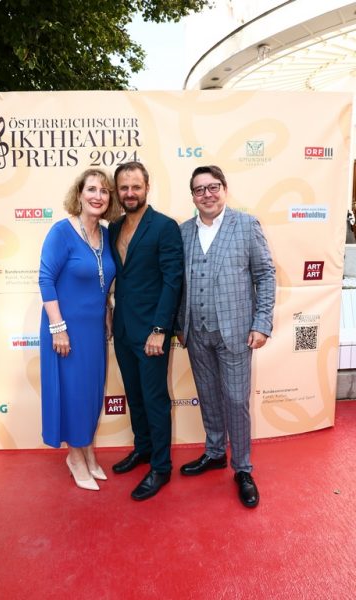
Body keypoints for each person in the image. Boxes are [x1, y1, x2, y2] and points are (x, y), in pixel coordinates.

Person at [176, 165, 276, 508]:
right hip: (196, 331)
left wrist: (261, 322)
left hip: (235, 331)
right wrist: (178, 325)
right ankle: (215, 452)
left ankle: (243, 468)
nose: (207, 194)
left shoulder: (246, 226)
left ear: (224, 189)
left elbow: (265, 275)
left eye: (212, 187)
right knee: (208, 395)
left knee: (236, 400)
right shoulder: (183, 231)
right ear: (192, 196)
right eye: (199, 189)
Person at [39, 168, 120, 491]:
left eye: (104, 191)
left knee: (89, 393)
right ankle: (75, 457)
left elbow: (104, 280)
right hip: (66, 329)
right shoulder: (61, 232)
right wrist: (58, 328)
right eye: (91, 189)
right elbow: (46, 279)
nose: (97, 196)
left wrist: (109, 311)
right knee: (73, 393)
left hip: (94, 330)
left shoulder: (106, 235)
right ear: (79, 194)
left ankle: (86, 450)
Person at [108, 161, 183, 501]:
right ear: (117, 191)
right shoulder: (113, 228)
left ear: (147, 187)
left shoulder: (164, 227)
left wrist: (159, 329)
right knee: (134, 396)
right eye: (124, 188)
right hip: (123, 329)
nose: (130, 193)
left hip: (151, 331)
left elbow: (172, 281)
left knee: (154, 399)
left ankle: (161, 467)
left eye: (135, 186)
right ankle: (143, 449)